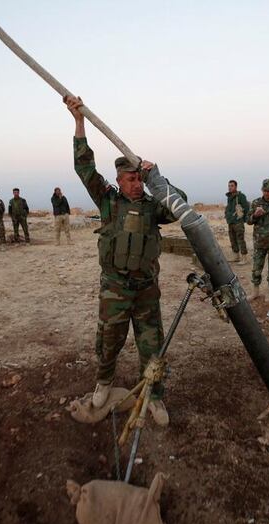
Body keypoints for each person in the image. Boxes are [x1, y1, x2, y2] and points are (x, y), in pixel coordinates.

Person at [65, 94, 187, 427]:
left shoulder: (153, 206)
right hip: (115, 289)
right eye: (130, 179)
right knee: (108, 341)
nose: (135, 184)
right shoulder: (108, 201)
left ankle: (155, 395)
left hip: (147, 291)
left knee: (153, 346)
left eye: (138, 179)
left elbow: (180, 204)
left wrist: (157, 178)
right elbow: (84, 167)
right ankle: (104, 382)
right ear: (118, 180)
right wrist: (79, 122)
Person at [225, 179, 250, 264]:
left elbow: (246, 207)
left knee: (240, 239)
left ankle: (244, 258)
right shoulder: (229, 197)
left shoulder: (241, 196)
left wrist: (244, 219)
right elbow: (229, 208)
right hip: (230, 221)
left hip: (238, 222)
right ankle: (236, 256)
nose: (230, 187)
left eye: (232, 186)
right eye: (229, 186)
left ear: (236, 186)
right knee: (232, 239)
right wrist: (227, 216)